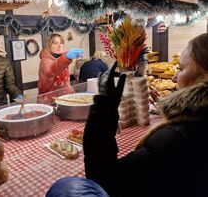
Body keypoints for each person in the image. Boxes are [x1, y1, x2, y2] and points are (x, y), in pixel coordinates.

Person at [47, 33, 208, 197]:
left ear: (204, 78)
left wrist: (103, 107)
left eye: (180, 69)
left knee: (64, 187)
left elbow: (105, 180)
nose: (174, 77)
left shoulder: (175, 138)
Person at [38, 33, 83, 103]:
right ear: (48, 46)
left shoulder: (61, 58)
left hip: (64, 100)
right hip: (49, 102)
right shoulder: (45, 60)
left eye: (61, 43)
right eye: (55, 43)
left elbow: (65, 84)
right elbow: (51, 71)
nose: (59, 46)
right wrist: (66, 57)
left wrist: (75, 97)